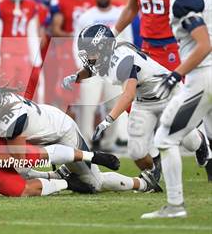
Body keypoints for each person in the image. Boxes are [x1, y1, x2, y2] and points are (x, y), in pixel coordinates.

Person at [0, 79, 162, 194]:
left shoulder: (10, 121)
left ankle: (144, 183)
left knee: (94, 184)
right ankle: (62, 175)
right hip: (44, 131)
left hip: (62, 132)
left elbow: (23, 161)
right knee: (14, 171)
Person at [64, 24, 209, 182]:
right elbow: (92, 69)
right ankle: (152, 174)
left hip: (167, 93)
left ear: (103, 48)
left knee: (189, 142)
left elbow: (128, 95)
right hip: (144, 99)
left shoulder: (123, 60)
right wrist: (76, 77)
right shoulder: (106, 56)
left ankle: (200, 141)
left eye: (91, 52)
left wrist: (107, 121)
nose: (88, 57)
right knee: (136, 150)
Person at [142, 0, 212, 219]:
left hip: (202, 77)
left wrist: (175, 74)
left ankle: (174, 205)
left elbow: (203, 44)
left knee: (165, 138)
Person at [65, 0, 132, 150]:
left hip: (114, 66)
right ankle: (84, 143)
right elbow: (76, 42)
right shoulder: (86, 16)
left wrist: (127, 65)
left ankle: (110, 142)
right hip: (92, 67)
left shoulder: (120, 13)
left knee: (114, 106)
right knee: (87, 106)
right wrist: (82, 65)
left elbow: (128, 39)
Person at [50, 0, 95, 115]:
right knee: (69, 89)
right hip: (69, 48)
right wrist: (74, 36)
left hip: (91, 48)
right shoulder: (61, 1)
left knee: (90, 89)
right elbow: (56, 29)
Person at [37, 0, 59, 105]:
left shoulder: (59, 6)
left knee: (53, 81)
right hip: (41, 48)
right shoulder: (35, 7)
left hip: (57, 48)